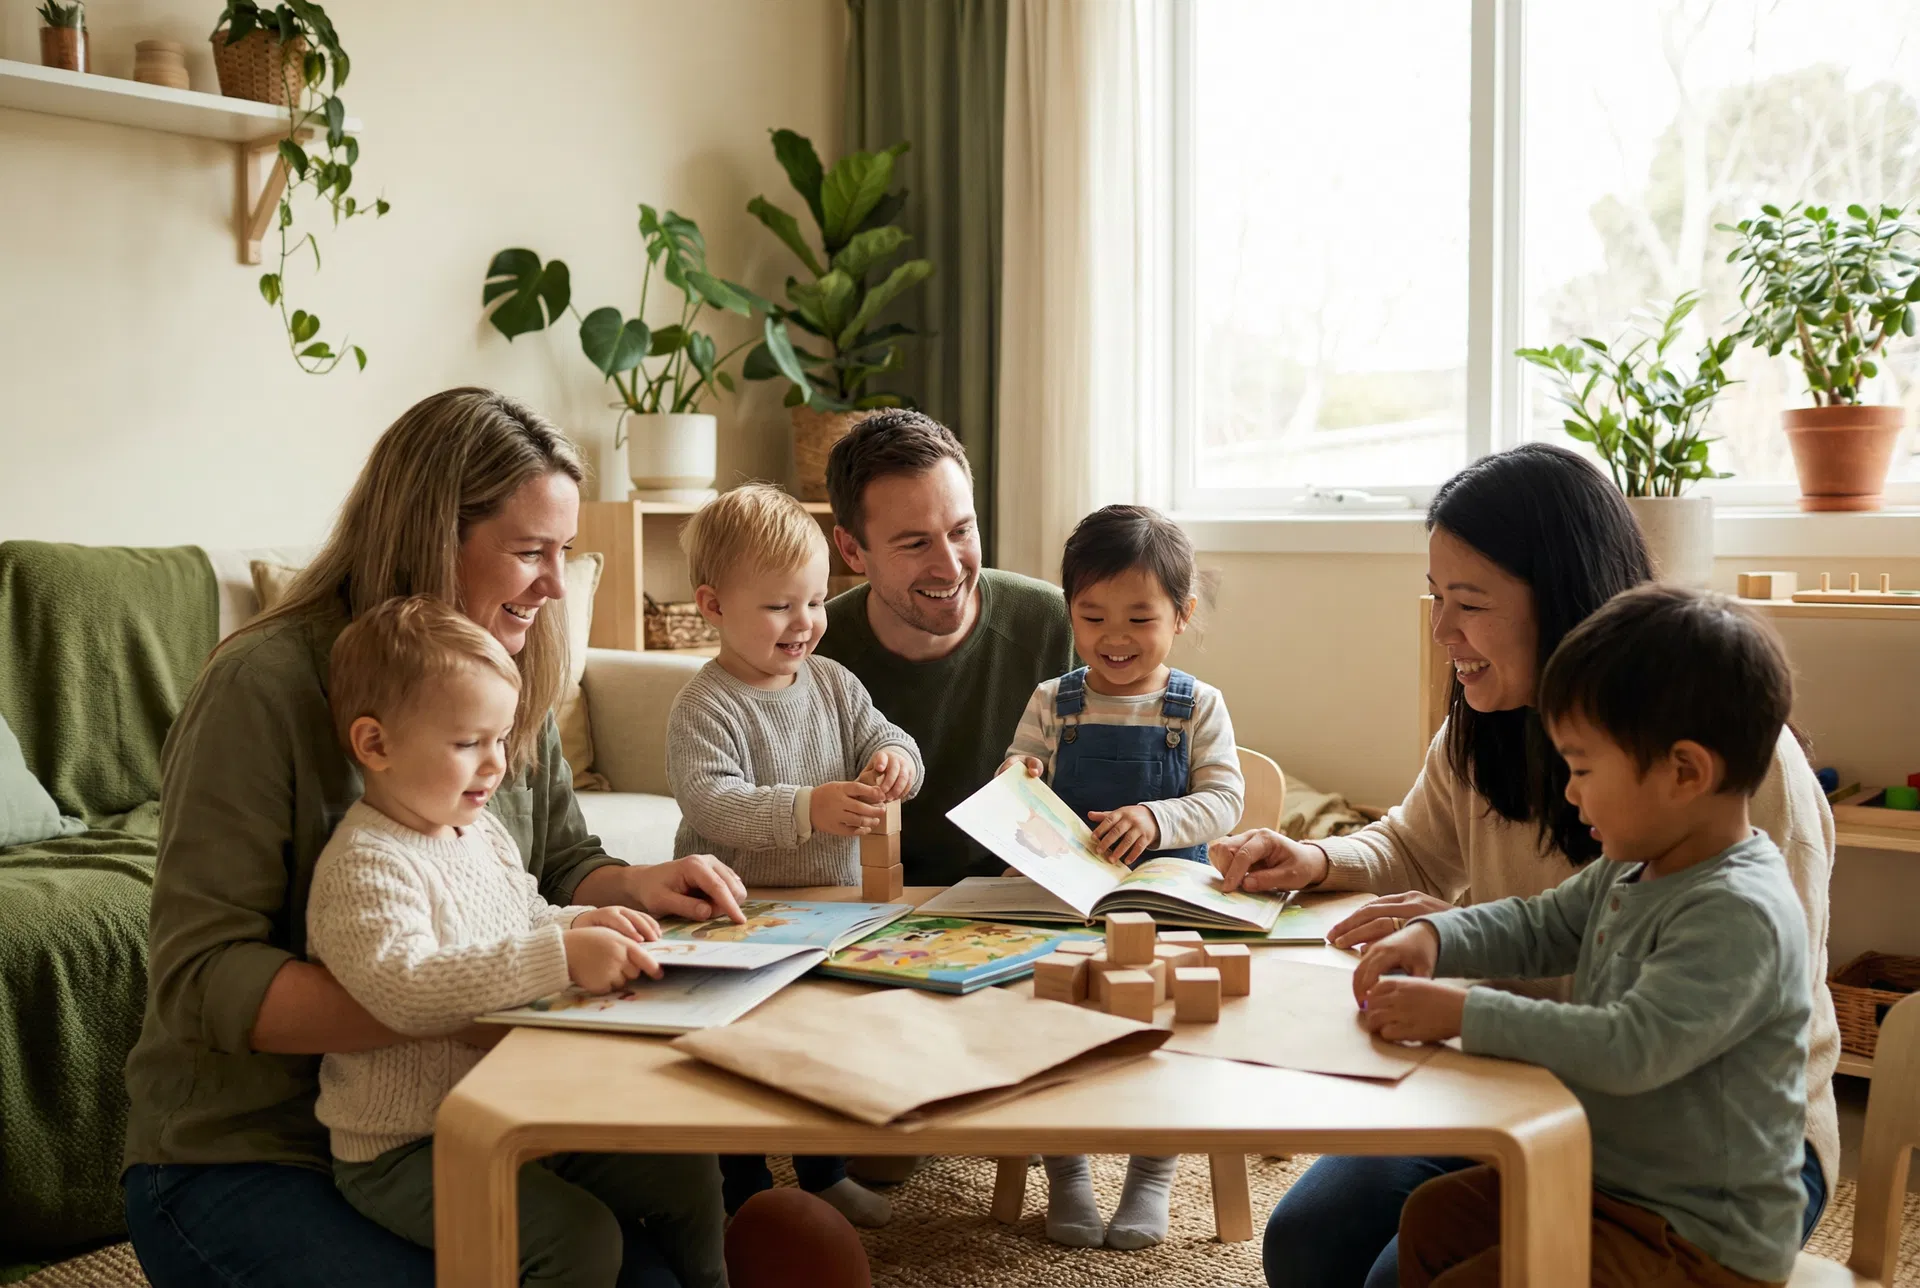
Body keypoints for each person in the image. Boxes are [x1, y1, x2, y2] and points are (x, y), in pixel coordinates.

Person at [122, 388, 749, 1288]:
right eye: (531, 552)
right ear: (428, 535)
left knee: (657, 1252)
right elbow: (203, 977)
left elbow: (563, 862)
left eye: (563, 552)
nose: (555, 583)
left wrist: (641, 886)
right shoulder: (260, 686)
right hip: (248, 1156)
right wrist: (499, 985)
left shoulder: (501, 668)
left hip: (458, 1119)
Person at [1212, 444, 1838, 1288]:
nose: (1442, 632)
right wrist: (1323, 862)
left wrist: (1463, 1005)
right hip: (1525, 1078)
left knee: (1406, 1274)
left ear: (1564, 601)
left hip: (1702, 1153)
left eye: (1468, 603)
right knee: (1312, 1240)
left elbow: (1659, 1037)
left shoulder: (1733, 796)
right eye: (1435, 597)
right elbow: (1433, 855)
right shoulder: (1488, 720)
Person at [1362, 585, 1812, 1287]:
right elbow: (1540, 923)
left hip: (1698, 1239)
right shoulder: (1632, 865)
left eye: (1581, 769)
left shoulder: (1739, 910)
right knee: (1434, 1218)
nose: (1569, 795)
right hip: (1608, 1185)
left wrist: (1464, 1014)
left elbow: (1628, 1047)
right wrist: (1436, 935)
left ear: (1685, 771)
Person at [309, 596, 724, 1287]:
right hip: (407, 1147)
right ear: (375, 746)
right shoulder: (364, 863)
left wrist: (578, 924)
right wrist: (558, 956)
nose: (496, 764)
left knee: (683, 1170)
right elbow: (405, 989)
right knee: (579, 1242)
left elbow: (522, 914)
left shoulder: (480, 831)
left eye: (501, 739)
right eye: (468, 743)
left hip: (513, 1111)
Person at [666, 483, 921, 1228]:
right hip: (732, 917)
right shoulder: (705, 704)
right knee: (738, 1055)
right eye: (780, 606)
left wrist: (896, 762)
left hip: (830, 909)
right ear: (714, 607)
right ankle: (741, 1184)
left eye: (814, 602)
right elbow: (711, 800)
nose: (804, 623)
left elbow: (885, 735)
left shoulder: (835, 683)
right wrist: (807, 806)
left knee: (821, 1045)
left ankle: (826, 1170)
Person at [1000, 504, 1244, 1251]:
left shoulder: (1196, 706)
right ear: (1069, 611)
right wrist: (1022, 777)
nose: (1114, 638)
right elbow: (1014, 781)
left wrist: (1158, 818)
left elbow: (1226, 800)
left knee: (1166, 1024)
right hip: (1069, 899)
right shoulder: (1054, 701)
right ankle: (1066, 1172)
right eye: (1092, 615)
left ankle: (1151, 1173)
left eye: (1140, 618)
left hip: (1166, 901)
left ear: (1182, 614)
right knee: (1044, 1017)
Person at [813, 410, 1076, 887]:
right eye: (915, 544)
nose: (950, 567)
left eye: (961, 531)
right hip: (870, 912)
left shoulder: (1056, 623)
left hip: (1031, 905)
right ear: (852, 551)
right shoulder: (810, 653)